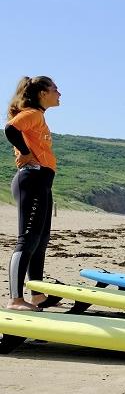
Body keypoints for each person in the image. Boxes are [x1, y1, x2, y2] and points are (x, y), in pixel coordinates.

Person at [4, 76, 62, 311]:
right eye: (55, 89)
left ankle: (37, 296)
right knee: (28, 239)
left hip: (42, 182)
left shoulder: (39, 116)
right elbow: (11, 129)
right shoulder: (33, 113)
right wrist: (25, 153)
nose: (59, 93)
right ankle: (15, 300)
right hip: (32, 179)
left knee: (40, 241)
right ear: (42, 93)